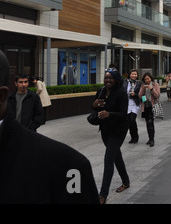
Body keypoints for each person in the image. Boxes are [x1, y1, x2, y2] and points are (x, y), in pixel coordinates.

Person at [0, 50, 99, 203]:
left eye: (26, 81)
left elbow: (39, 115)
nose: (24, 84)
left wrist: (30, 129)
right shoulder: (13, 98)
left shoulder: (69, 167)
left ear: (1, 96)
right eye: (21, 82)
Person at [92, 68, 130, 204]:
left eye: (110, 78)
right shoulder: (101, 91)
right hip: (105, 130)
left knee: (108, 160)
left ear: (116, 79)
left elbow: (123, 114)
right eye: (106, 78)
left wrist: (109, 114)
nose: (107, 80)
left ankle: (102, 195)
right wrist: (94, 105)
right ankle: (126, 181)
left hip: (118, 131)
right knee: (116, 156)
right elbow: (96, 109)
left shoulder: (121, 94)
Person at [138, 72, 160, 147]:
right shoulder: (143, 85)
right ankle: (150, 138)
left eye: (148, 78)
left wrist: (151, 89)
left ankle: (152, 139)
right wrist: (142, 89)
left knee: (150, 122)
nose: (147, 80)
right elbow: (140, 96)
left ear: (151, 78)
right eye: (145, 79)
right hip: (145, 106)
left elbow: (157, 95)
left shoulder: (155, 85)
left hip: (152, 106)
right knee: (148, 123)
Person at [123, 69, 141, 144]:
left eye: (135, 74)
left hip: (135, 104)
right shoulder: (125, 82)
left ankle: (136, 137)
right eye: (132, 74)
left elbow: (142, 94)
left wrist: (135, 94)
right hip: (127, 104)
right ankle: (132, 137)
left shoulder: (139, 83)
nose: (134, 75)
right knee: (129, 122)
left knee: (132, 120)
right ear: (129, 75)